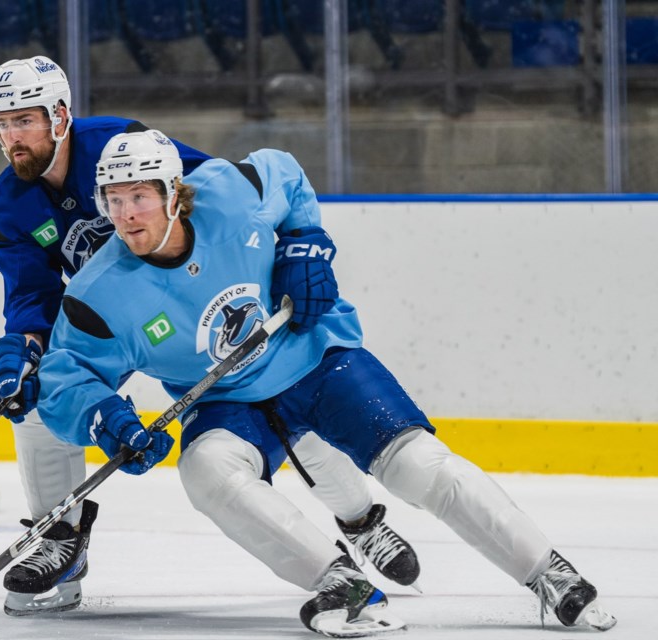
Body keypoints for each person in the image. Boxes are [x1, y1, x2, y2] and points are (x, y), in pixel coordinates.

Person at [31, 129, 617, 636]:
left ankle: (548, 571)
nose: (127, 214)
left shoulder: (230, 195)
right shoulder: (100, 291)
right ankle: (339, 582)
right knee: (205, 472)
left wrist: (304, 241)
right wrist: (106, 418)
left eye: (140, 196)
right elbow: (65, 375)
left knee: (418, 465)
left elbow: (283, 171)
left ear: (173, 195)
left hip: (315, 356)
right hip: (228, 402)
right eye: (114, 200)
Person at [0, 56, 420, 617]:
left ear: (60, 115)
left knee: (286, 405)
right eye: (2, 122)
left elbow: (220, 196)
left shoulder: (120, 141)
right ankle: (60, 537)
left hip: (204, 300)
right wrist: (25, 348)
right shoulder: (6, 207)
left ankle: (360, 521)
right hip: (120, 322)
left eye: (25, 121)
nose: (11, 136)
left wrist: (294, 246)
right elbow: (32, 298)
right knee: (42, 394)